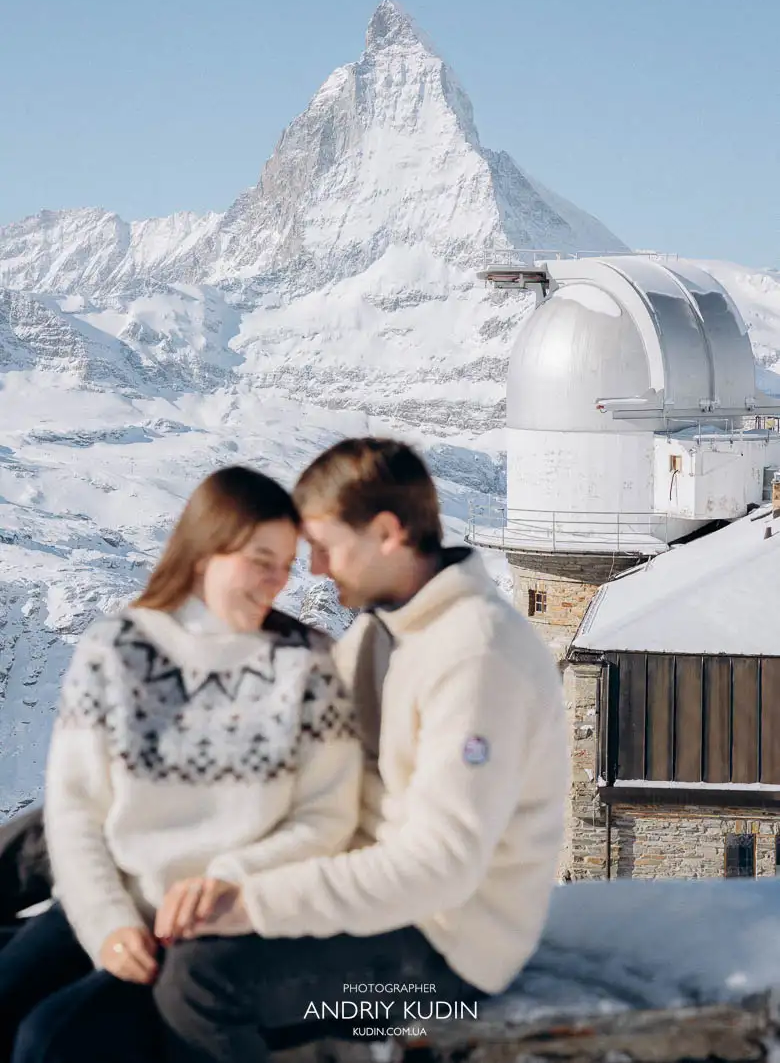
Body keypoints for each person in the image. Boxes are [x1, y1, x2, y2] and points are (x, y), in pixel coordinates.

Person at [142, 438, 567, 1062]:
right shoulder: (381, 632)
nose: (312, 568)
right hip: (383, 910)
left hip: (450, 963)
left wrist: (253, 904)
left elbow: (440, 867)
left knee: (204, 978)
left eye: (325, 547)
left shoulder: (478, 656)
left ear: (388, 533)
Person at [0, 465, 361, 1061]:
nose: (276, 581)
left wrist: (227, 878)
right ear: (205, 552)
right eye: (259, 559)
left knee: (53, 1037)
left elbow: (326, 819)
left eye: (285, 562)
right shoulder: (116, 650)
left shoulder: (309, 666)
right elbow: (75, 814)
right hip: (111, 897)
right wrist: (108, 924)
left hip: (220, 927)